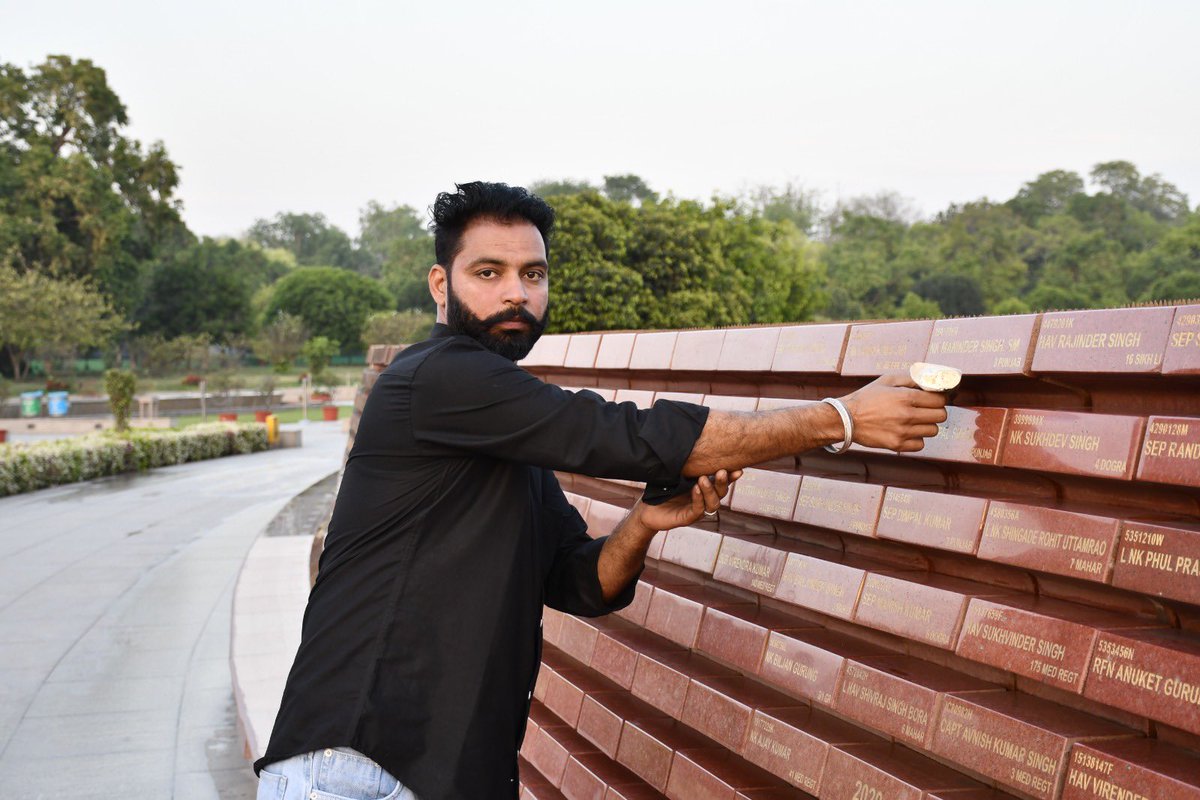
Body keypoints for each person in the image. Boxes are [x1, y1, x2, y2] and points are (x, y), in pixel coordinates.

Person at [254, 182, 947, 800]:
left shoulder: (501, 441)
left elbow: (579, 582)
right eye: (488, 273)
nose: (515, 293)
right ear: (441, 285)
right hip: (357, 764)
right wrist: (843, 418)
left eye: (533, 274)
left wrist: (643, 524)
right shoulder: (436, 378)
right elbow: (626, 435)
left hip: (448, 772)